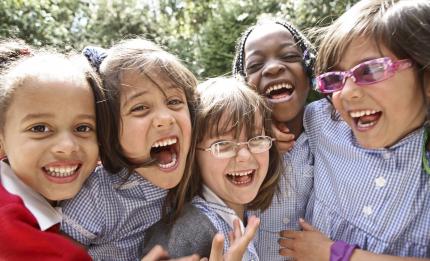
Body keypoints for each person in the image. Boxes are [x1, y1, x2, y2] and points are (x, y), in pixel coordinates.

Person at [279, 0, 430, 260]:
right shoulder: (325, 122)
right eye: (335, 79)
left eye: (371, 70)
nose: (346, 93)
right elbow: (280, 115)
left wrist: (336, 254)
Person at [60, 38, 198, 261]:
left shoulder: (196, 171)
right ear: (110, 132)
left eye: (174, 101)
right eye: (140, 108)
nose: (165, 118)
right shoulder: (97, 196)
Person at [141, 77, 283, 260]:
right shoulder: (186, 233)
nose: (245, 156)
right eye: (223, 145)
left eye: (256, 139)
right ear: (193, 155)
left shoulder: (245, 216)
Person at [0, 39, 107, 260]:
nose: (67, 146)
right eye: (40, 128)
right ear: (1, 140)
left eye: (83, 128)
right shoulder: (7, 226)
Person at [232, 17, 316, 260]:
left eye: (289, 56)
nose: (272, 68)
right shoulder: (237, 147)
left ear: (310, 70)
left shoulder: (328, 127)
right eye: (256, 65)